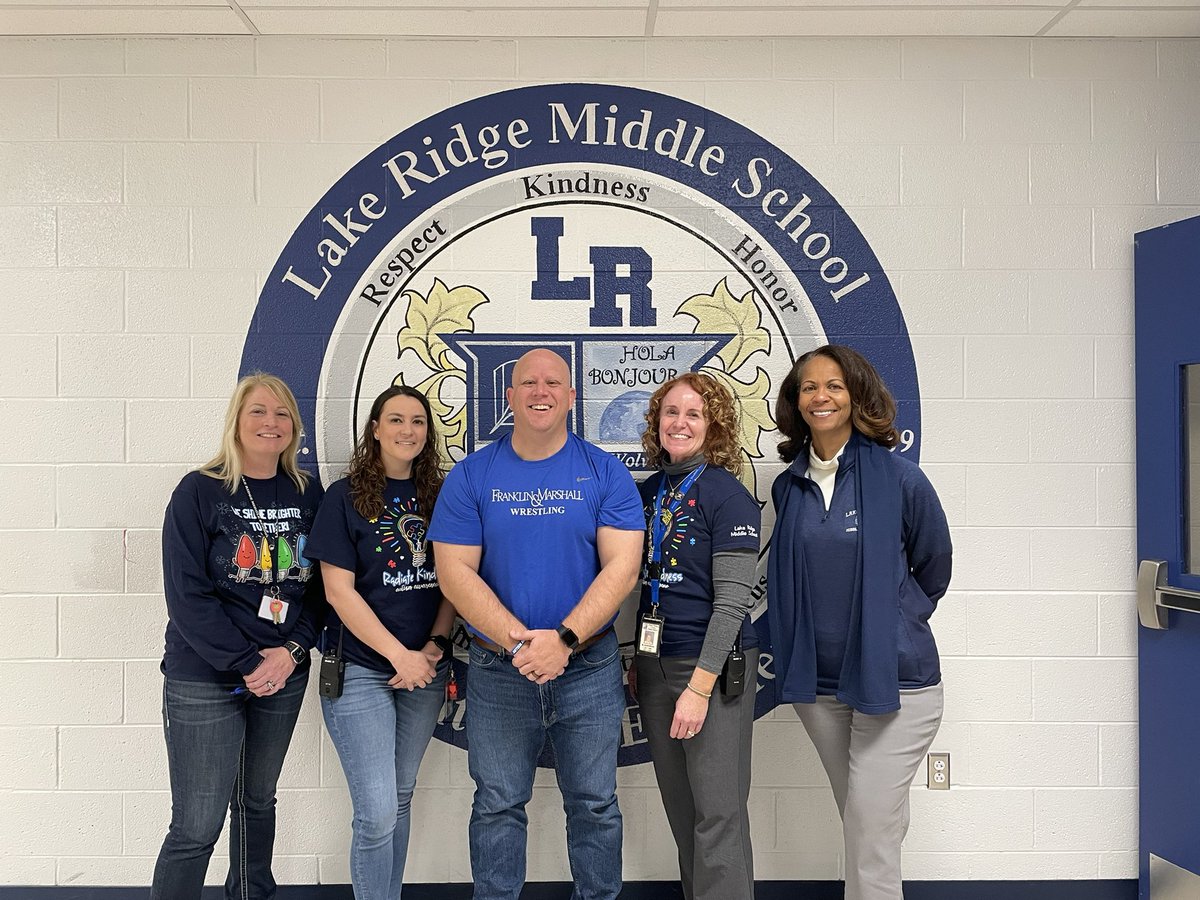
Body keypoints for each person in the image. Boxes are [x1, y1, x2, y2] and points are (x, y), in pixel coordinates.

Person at [428, 348, 644, 900]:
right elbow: (454, 573)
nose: (540, 391)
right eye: (528, 382)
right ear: (509, 395)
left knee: (594, 803)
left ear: (572, 397)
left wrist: (564, 640)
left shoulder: (604, 472)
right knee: (498, 804)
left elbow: (622, 568)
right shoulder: (472, 475)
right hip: (500, 671)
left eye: (554, 383)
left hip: (589, 668)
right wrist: (523, 643)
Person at [768, 345, 952, 900]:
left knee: (870, 829)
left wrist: (898, 620)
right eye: (808, 388)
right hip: (820, 688)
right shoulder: (788, 486)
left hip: (897, 681)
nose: (820, 396)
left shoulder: (900, 479)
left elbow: (934, 566)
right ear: (796, 403)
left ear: (856, 396)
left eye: (833, 386)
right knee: (868, 821)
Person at [152, 373, 324, 900]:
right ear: (236, 420)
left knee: (256, 803)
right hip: (206, 677)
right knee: (197, 824)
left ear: (293, 426)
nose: (271, 423)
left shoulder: (305, 492)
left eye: (281, 413)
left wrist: (292, 653)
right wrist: (250, 662)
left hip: (284, 673)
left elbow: (322, 589)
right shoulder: (199, 491)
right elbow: (187, 597)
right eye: (258, 411)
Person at [305, 385, 456, 900]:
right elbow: (337, 592)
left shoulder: (442, 495)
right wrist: (400, 656)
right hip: (362, 670)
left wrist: (434, 646)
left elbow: (456, 581)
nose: (407, 430)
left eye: (417, 421)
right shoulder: (343, 498)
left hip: (426, 669)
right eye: (395, 420)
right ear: (374, 428)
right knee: (375, 811)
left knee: (400, 796)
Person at [631, 372, 760, 900]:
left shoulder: (727, 496)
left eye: (694, 414)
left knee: (717, 816)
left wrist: (700, 687)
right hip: (655, 667)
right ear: (656, 422)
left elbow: (732, 603)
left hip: (710, 670)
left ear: (715, 426)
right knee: (683, 814)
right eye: (670, 412)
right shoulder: (647, 493)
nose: (679, 423)